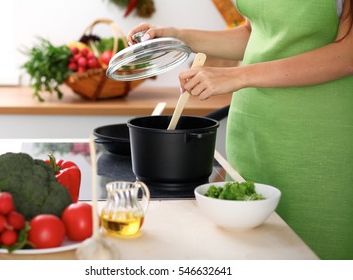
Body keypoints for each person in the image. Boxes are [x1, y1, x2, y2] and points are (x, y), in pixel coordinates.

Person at [127, 0, 353, 260]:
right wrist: (178, 36)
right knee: (253, 255)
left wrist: (238, 76)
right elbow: (255, 33)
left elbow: (348, 55)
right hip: (252, 134)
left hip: (318, 142)